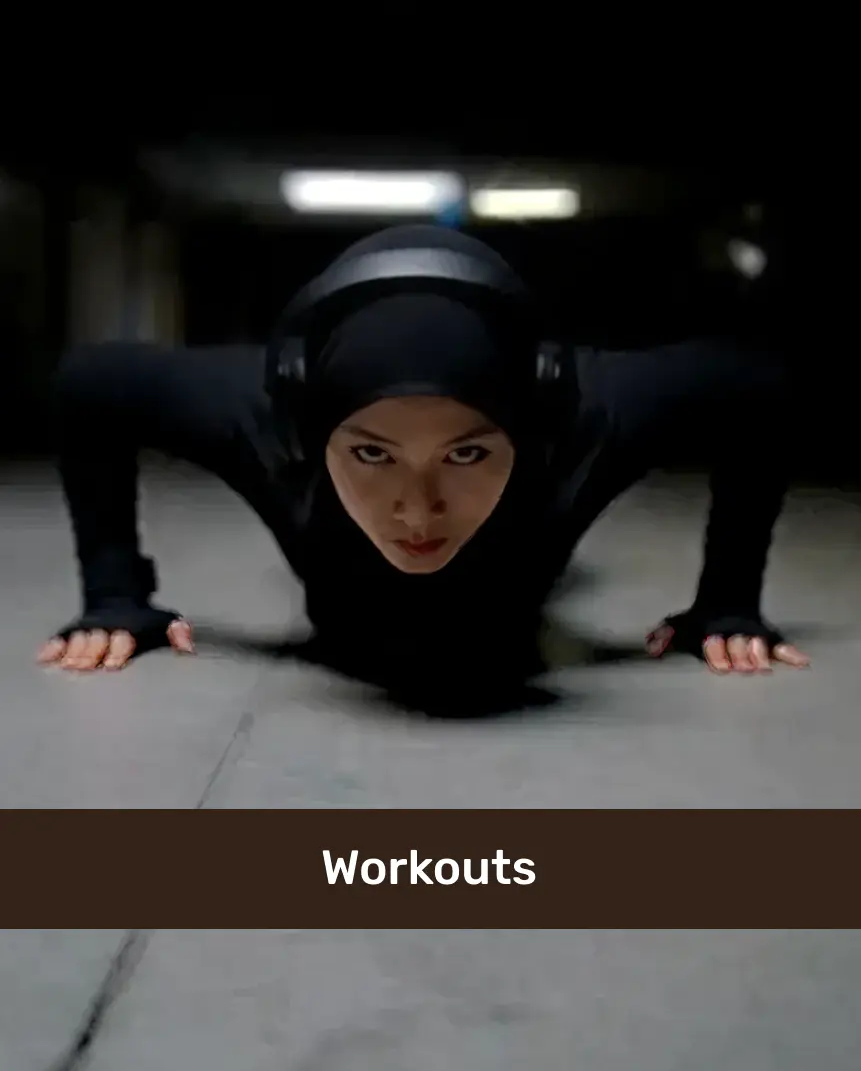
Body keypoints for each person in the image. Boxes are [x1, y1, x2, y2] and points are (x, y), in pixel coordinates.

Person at [37, 223, 809, 710]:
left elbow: (755, 385)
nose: (416, 511)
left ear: (529, 427)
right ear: (312, 430)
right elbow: (91, 382)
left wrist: (726, 602)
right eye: (372, 453)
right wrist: (115, 592)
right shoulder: (268, 414)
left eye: (465, 452)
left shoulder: (580, 415)